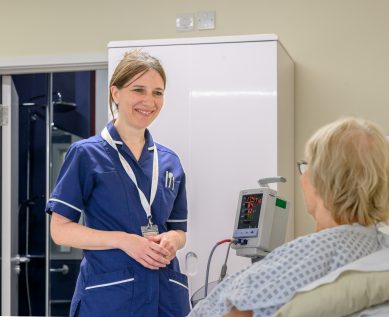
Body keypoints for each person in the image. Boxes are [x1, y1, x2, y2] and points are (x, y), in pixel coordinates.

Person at [189, 117, 389, 317]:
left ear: (323, 178)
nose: (303, 177)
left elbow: (239, 314)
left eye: (306, 165)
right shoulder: (378, 245)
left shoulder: (314, 254)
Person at [46, 50, 190, 317]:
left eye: (158, 92)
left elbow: (179, 230)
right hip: (110, 298)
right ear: (116, 93)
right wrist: (124, 241)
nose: (149, 101)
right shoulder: (86, 155)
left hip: (164, 298)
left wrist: (173, 239)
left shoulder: (170, 162)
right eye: (139, 90)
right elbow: (61, 231)